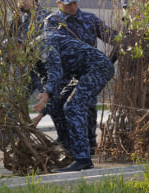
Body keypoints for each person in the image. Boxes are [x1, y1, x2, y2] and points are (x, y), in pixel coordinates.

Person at [38, 17, 115, 172]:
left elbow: (55, 69)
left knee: (73, 107)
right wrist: (41, 113)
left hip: (97, 68)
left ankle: (83, 160)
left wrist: (47, 92)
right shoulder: (31, 55)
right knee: (56, 105)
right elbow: (52, 80)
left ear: (19, 45)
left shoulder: (43, 43)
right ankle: (69, 150)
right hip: (79, 73)